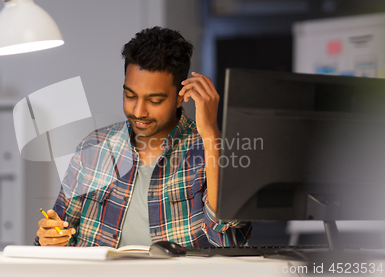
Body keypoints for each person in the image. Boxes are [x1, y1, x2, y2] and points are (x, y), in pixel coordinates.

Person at [35, 27, 252, 247]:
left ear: (180, 97)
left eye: (154, 100)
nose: (139, 111)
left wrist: (211, 135)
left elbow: (229, 241)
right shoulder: (94, 147)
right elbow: (58, 235)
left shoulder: (213, 150)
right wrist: (50, 238)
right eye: (130, 96)